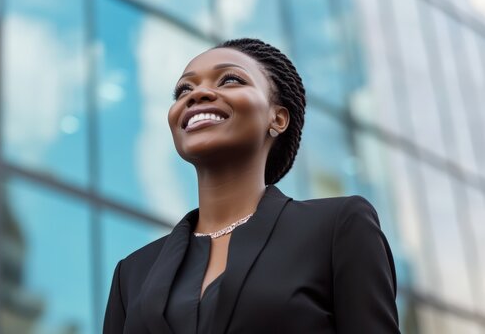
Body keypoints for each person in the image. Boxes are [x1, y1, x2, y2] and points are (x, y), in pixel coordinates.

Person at [103, 38, 400, 334]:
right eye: (184, 90)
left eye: (230, 80)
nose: (198, 95)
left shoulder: (336, 227)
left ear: (278, 117)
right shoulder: (132, 273)